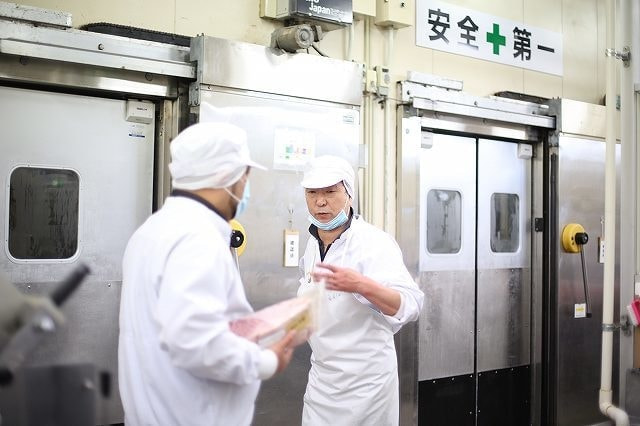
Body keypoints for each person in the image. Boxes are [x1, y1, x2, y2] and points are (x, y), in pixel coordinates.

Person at [118, 122, 295, 426]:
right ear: (227, 176)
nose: (245, 188)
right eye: (245, 176)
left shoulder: (152, 231)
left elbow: (174, 325)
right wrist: (266, 360)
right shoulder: (197, 239)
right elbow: (195, 341)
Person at [297, 155, 424, 426]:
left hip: (367, 386)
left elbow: (411, 304)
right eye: (312, 193)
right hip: (323, 382)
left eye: (330, 192)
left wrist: (360, 285)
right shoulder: (312, 244)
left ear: (349, 194)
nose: (320, 202)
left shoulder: (373, 243)